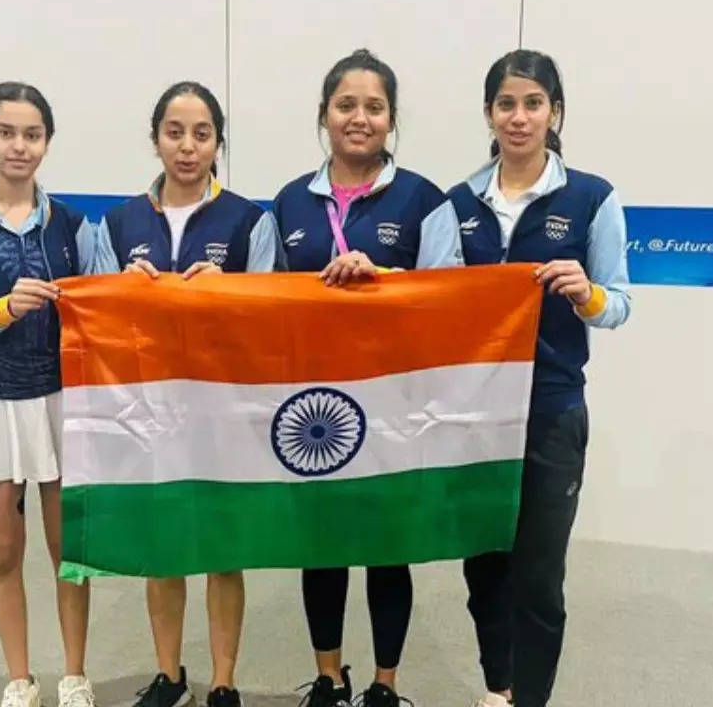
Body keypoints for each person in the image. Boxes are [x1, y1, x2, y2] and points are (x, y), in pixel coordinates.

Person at [259, 49, 462, 707]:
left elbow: (449, 297)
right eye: (346, 105)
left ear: (391, 120)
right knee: (321, 545)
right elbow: (257, 300)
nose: (359, 118)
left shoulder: (425, 200)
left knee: (385, 548)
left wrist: (387, 282)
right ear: (323, 115)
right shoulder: (289, 203)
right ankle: (328, 677)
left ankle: (385, 685)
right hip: (311, 406)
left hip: (393, 405)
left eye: (374, 107)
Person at [444, 50, 632, 707]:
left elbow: (620, 304)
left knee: (538, 579)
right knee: (484, 571)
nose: (519, 118)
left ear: (555, 112)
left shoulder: (591, 197)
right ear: (489, 113)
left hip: (550, 411)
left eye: (533, 104)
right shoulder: (459, 201)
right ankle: (499, 690)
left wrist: (588, 296)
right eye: (506, 104)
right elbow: (431, 297)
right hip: (474, 416)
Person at [0, 81, 115, 707]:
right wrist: (2, 309)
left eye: (32, 135)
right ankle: (19, 679)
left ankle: (76, 676)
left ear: (47, 144)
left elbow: (105, 300)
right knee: (3, 553)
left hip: (61, 406)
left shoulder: (72, 225)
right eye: (6, 133)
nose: (19, 146)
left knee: (71, 553)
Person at [106, 81, 281, 707]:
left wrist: (228, 290)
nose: (187, 147)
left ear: (218, 143)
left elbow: (269, 315)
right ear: (155, 138)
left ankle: (225, 681)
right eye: (174, 132)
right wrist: (123, 289)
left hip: (223, 409)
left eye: (201, 133)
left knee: (221, 551)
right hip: (149, 408)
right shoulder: (120, 222)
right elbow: (102, 322)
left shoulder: (249, 221)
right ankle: (170, 673)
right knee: (164, 547)